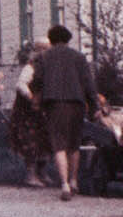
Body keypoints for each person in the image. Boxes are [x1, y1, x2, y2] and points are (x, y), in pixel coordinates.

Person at [32, 24, 102, 200]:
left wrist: (36, 100)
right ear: (68, 39)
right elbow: (88, 84)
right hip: (77, 104)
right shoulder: (78, 57)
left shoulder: (43, 57)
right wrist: (95, 107)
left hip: (54, 104)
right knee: (74, 145)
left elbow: (37, 81)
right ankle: (74, 181)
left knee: (59, 145)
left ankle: (64, 185)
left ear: (51, 40)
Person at [8, 42, 53, 186]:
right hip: (27, 112)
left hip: (42, 111)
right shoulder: (30, 67)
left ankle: (43, 173)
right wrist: (31, 96)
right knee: (31, 142)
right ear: (39, 51)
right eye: (46, 49)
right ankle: (31, 175)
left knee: (46, 141)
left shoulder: (49, 68)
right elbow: (21, 85)